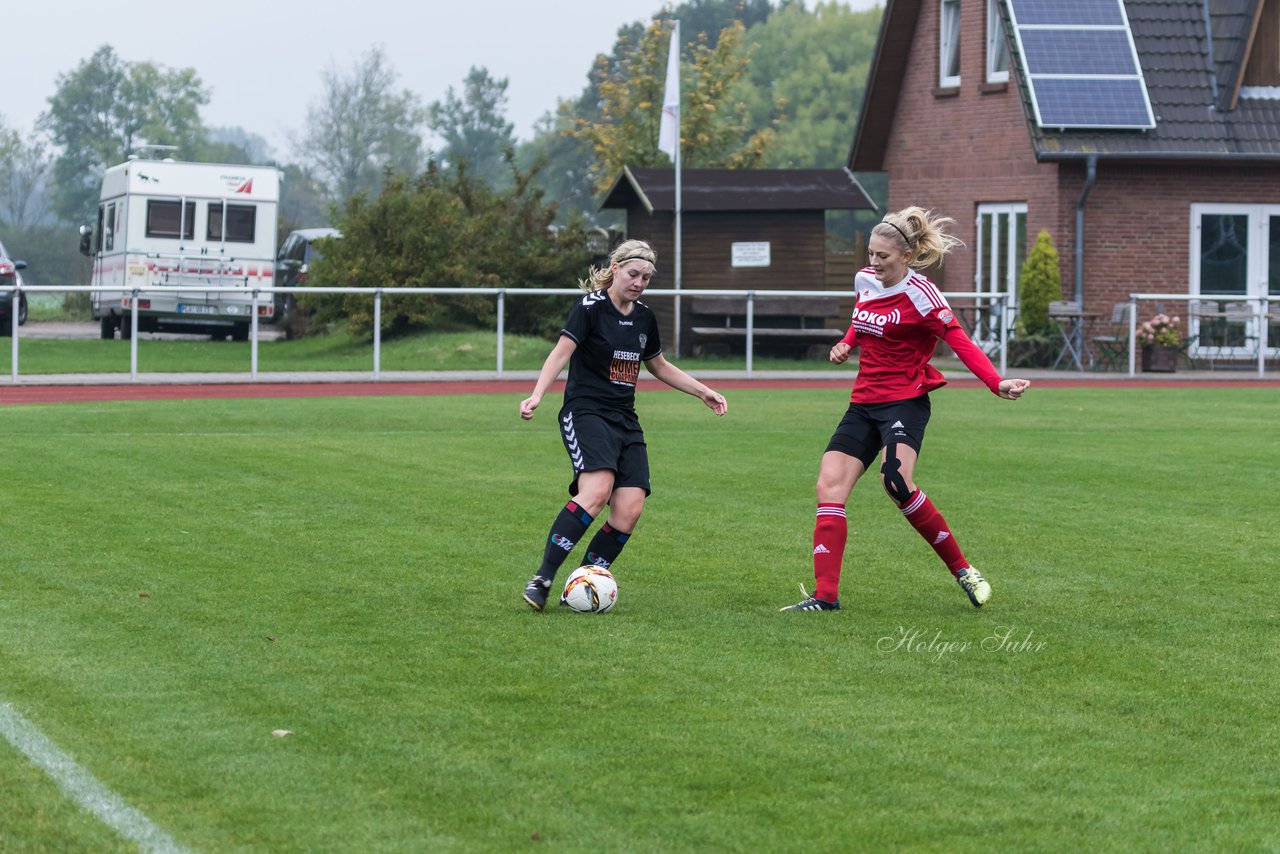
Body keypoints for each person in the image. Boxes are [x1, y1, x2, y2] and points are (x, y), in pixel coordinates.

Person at [781, 207, 1031, 612]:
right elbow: (863, 319)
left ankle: (964, 570)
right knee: (829, 487)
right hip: (863, 402)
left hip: (905, 400)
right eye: (871, 253)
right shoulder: (865, 279)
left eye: (883, 256)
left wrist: (995, 382)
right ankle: (825, 597)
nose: (873, 262)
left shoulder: (924, 295)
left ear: (907, 258)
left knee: (895, 482)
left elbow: (960, 340)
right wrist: (848, 342)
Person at [520, 239, 728, 610]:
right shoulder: (590, 308)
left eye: (646, 278)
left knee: (629, 509)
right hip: (585, 412)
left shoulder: (644, 316)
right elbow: (561, 352)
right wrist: (537, 394)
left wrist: (702, 392)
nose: (639, 282)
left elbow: (659, 365)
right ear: (615, 268)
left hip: (624, 419)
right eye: (634, 274)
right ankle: (543, 578)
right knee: (596, 492)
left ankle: (583, 584)